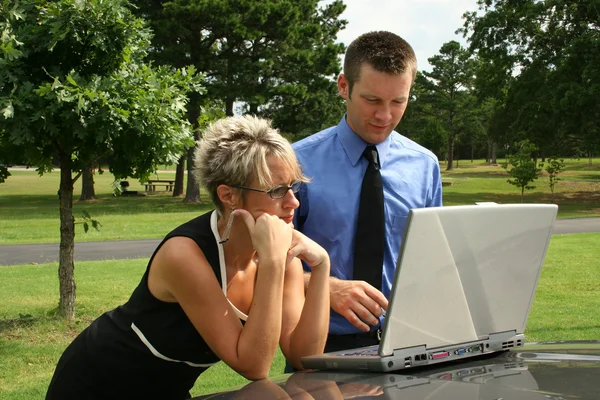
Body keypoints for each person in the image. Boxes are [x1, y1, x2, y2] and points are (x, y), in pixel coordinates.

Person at [46, 116, 331, 400]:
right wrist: (272, 262)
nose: (293, 202)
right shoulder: (184, 255)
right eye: (276, 191)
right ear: (228, 195)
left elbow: (304, 357)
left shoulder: (282, 254)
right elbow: (254, 365)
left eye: (293, 187)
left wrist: (321, 266)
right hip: (97, 384)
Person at [292, 31, 443, 356]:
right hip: (321, 351)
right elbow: (265, 264)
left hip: (410, 347)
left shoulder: (425, 167)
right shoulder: (295, 164)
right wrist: (325, 287)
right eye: (372, 100)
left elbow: (433, 263)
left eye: (398, 101)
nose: (384, 116)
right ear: (344, 86)